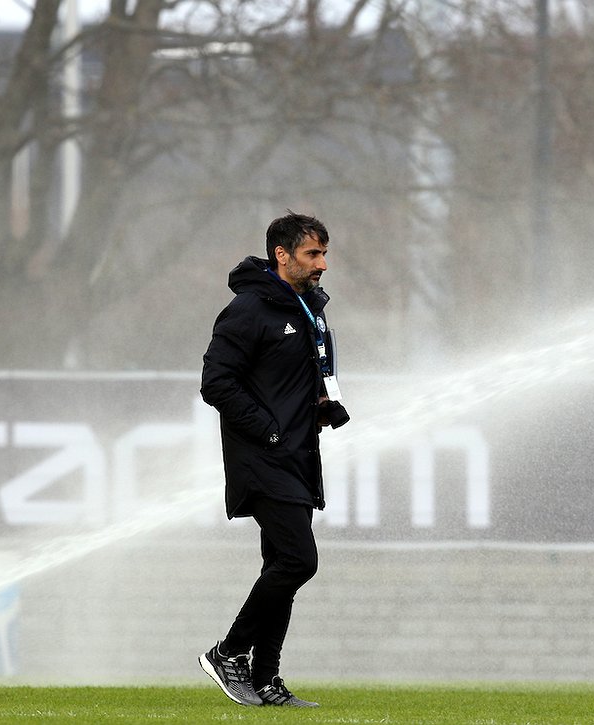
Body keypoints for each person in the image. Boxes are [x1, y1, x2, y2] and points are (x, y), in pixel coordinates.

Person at [197, 211, 349, 708]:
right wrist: (269, 429)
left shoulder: (310, 307)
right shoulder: (248, 309)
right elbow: (216, 383)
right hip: (263, 457)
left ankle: (266, 680)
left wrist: (324, 404)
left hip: (298, 455)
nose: (322, 263)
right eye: (312, 254)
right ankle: (228, 652)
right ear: (281, 255)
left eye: (324, 253)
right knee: (299, 561)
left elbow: (305, 372)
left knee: (280, 565)